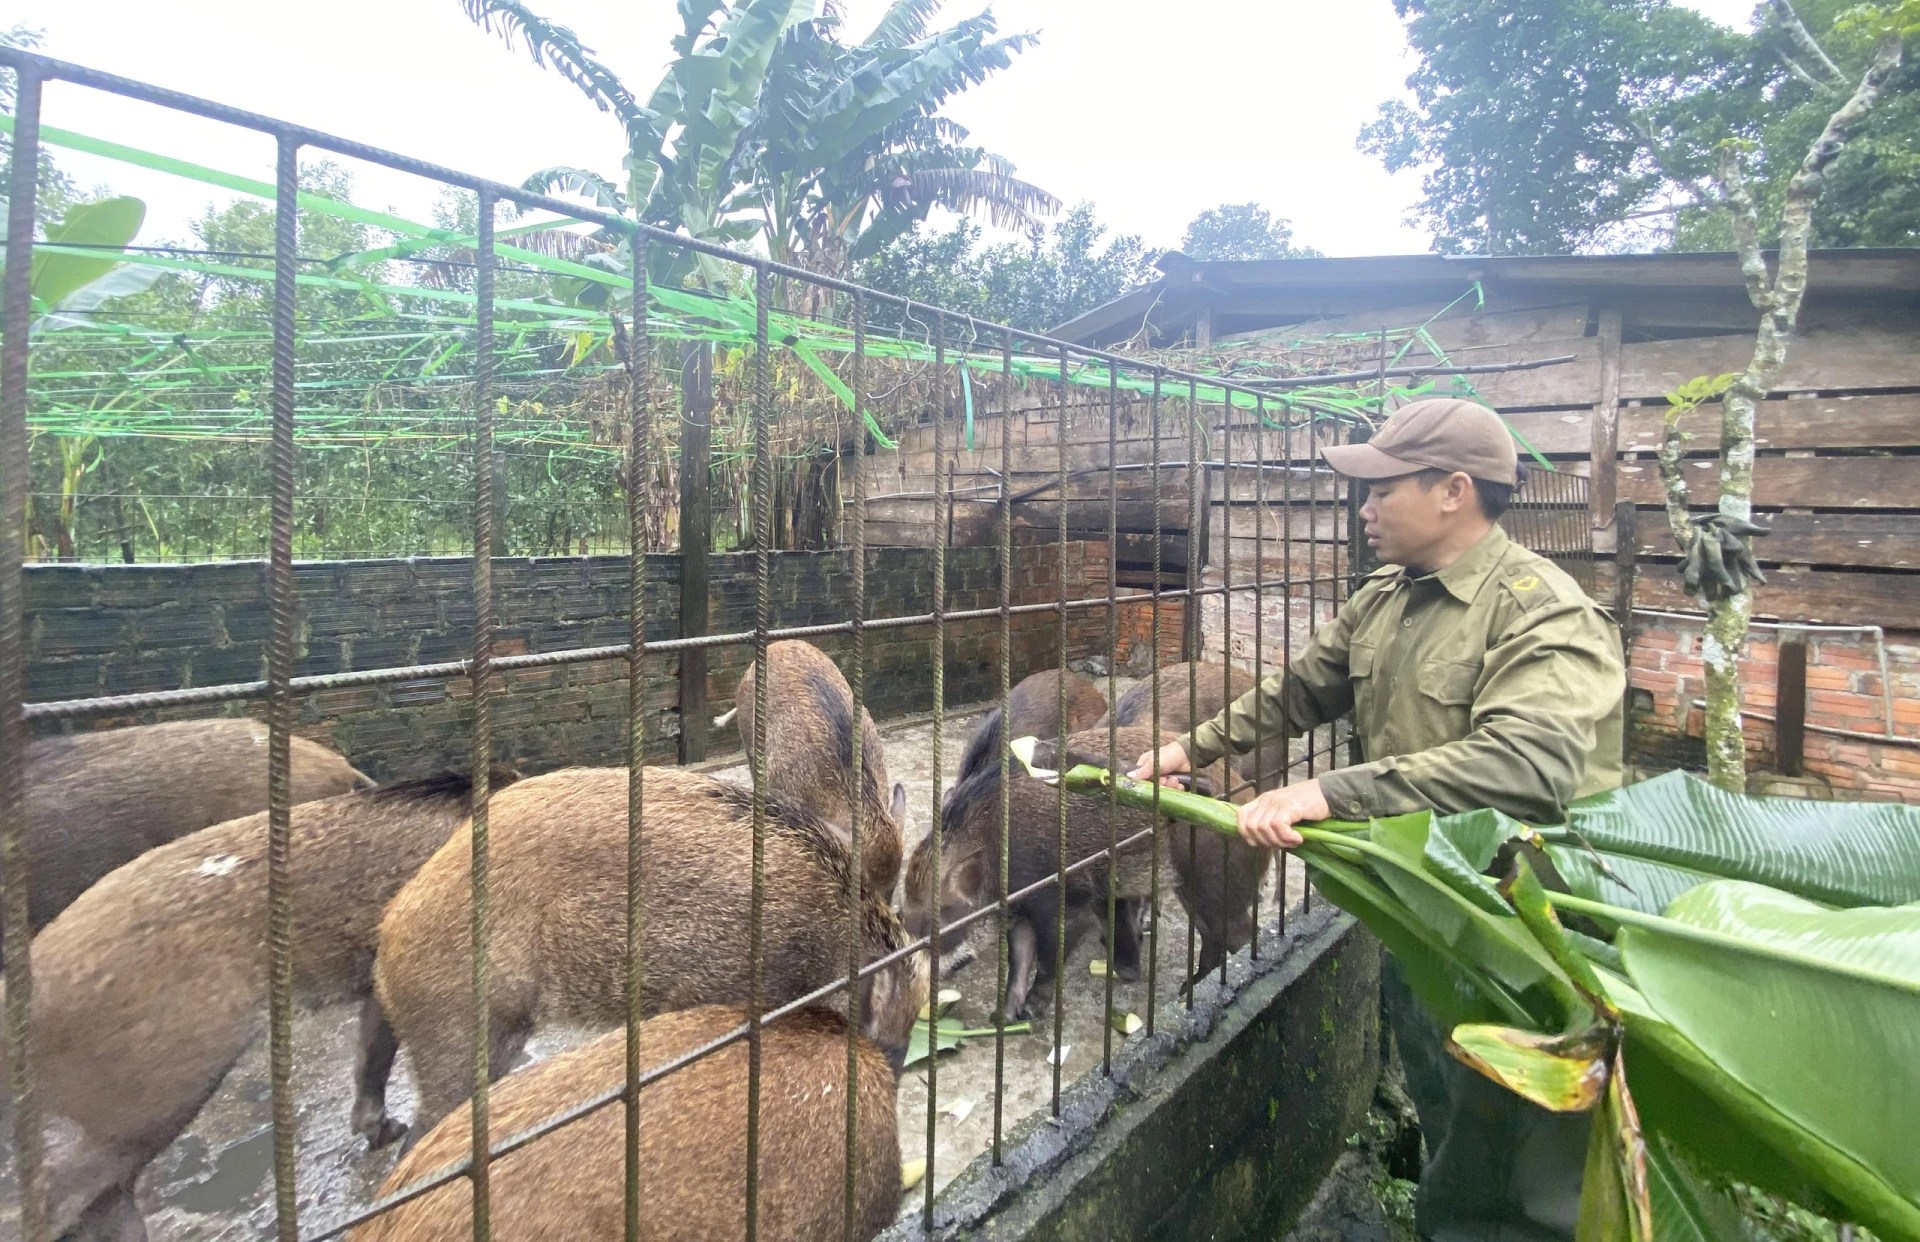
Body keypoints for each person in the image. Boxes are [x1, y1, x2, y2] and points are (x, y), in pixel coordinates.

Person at [1131, 397, 1625, 1242]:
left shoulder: (1542, 613)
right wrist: (1188, 747)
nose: (1363, 507)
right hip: (1421, 908)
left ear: (1453, 492)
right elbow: (1298, 691)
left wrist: (1328, 793)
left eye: (1382, 488)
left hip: (1519, 929)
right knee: (1447, 1105)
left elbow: (1527, 764)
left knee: (1532, 1153)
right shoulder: (1387, 597)